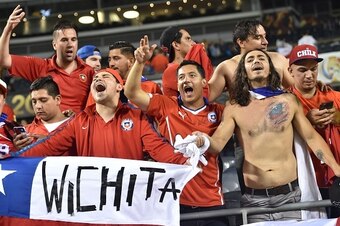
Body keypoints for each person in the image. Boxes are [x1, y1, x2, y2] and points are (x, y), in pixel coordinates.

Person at [196, 49, 340, 223]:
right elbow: (217, 143)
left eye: (261, 58)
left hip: (290, 197)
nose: (256, 61)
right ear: (244, 71)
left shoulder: (288, 101)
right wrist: (202, 140)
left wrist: (336, 168)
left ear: (271, 69)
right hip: (254, 201)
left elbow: (311, 137)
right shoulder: (233, 108)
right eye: (250, 59)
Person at [125, 35, 227, 226]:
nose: (185, 80)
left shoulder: (219, 112)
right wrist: (139, 63)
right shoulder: (164, 105)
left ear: (204, 83)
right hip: (174, 203)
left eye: (192, 76)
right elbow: (131, 93)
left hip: (212, 202)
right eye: (181, 77)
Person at [0, 5, 95, 114]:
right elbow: (3, 60)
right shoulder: (40, 66)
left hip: (78, 130)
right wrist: (8, 29)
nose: (70, 44)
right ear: (54, 45)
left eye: (73, 40)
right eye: (64, 40)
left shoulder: (89, 72)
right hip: (47, 130)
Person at [288, 44, 340, 217]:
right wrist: (305, 120)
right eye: (302, 70)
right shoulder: (284, 102)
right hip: (305, 180)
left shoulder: (334, 96)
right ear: (290, 71)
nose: (309, 75)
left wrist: (337, 118)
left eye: (314, 69)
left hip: (336, 177)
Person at [208, 19, 295, 102]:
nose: (265, 42)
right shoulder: (227, 67)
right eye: (258, 37)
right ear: (241, 42)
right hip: (245, 116)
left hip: (277, 115)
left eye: (264, 36)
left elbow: (297, 91)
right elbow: (206, 98)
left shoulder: (278, 59)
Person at [13, 76, 71, 151]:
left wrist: (49, 143)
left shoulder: (77, 126)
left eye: (43, 100)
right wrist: (17, 151)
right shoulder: (26, 133)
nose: (38, 106)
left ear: (58, 100)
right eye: (34, 101)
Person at [159, 26, 212, 98]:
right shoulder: (172, 70)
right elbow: (203, 95)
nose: (193, 43)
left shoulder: (181, 67)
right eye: (188, 39)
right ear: (176, 45)